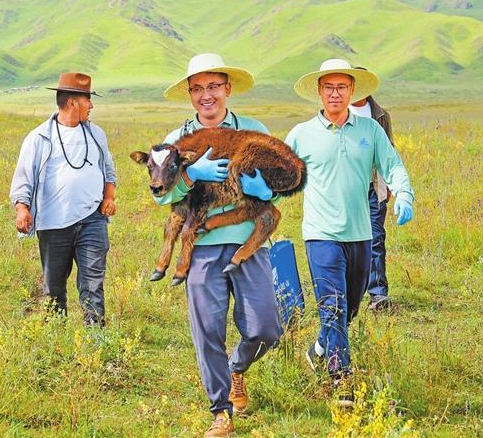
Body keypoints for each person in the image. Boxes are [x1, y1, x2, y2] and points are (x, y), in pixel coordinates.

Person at [154, 53, 283, 437]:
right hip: (200, 248)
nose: (206, 95)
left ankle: (236, 367)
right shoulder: (176, 140)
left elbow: (280, 180)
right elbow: (162, 196)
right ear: (190, 94)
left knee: (265, 329)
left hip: (248, 244)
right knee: (207, 330)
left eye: (213, 86)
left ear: (227, 88)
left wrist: (266, 189)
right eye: (198, 89)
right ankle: (221, 412)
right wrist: (190, 175)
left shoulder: (254, 129)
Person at [285, 59, 414, 406]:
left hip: (360, 234)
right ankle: (341, 378)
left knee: (350, 309)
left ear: (352, 90)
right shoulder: (301, 134)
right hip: (320, 233)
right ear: (319, 91)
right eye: (328, 87)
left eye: (341, 87)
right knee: (333, 306)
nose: (335, 93)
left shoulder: (370, 131)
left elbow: (393, 165)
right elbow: (278, 174)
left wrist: (404, 192)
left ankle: (318, 350)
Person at [10, 72, 117, 327]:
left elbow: (109, 171)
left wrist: (109, 197)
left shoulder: (96, 134)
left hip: (92, 219)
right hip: (53, 223)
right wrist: (22, 209)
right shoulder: (39, 138)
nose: (91, 105)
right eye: (87, 100)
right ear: (72, 102)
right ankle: (56, 337)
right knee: (54, 287)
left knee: (93, 283)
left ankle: (96, 338)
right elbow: (23, 178)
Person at [348, 68, 396, 312]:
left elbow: (389, 150)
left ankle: (378, 294)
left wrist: (390, 183)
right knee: (347, 240)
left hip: (374, 187)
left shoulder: (381, 115)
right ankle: (348, 291)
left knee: (375, 237)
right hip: (347, 187)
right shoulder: (339, 113)